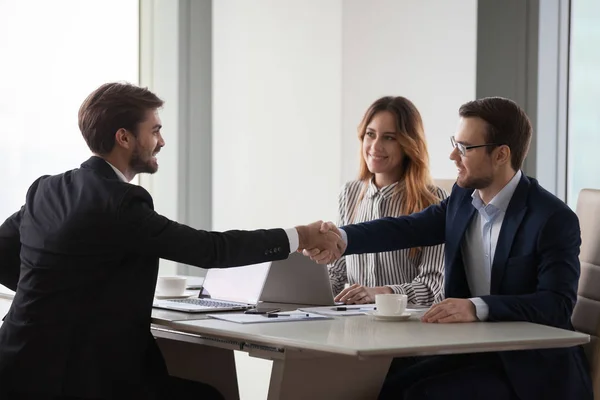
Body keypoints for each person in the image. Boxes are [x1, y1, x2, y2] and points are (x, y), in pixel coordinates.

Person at [0, 82, 343, 400]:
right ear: (124, 137)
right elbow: (210, 249)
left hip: (16, 367)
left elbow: (2, 252)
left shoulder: (44, 189)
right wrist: (301, 235)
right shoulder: (121, 201)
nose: (161, 141)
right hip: (88, 379)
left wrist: (59, 296)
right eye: (155, 130)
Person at [304, 97, 593, 400]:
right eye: (455, 142)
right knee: (380, 386)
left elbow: (556, 305)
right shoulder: (463, 198)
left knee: (423, 395)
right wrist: (341, 238)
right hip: (470, 352)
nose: (453, 155)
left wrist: (476, 306)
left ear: (501, 154)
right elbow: (405, 228)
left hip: (530, 369)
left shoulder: (551, 218)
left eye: (465, 147)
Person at [329, 96, 446, 306]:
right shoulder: (350, 193)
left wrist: (380, 294)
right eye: (370, 134)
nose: (375, 146)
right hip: (357, 326)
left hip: (410, 330)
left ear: (408, 144)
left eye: (389, 138)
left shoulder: (434, 200)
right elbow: (339, 270)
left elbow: (432, 286)